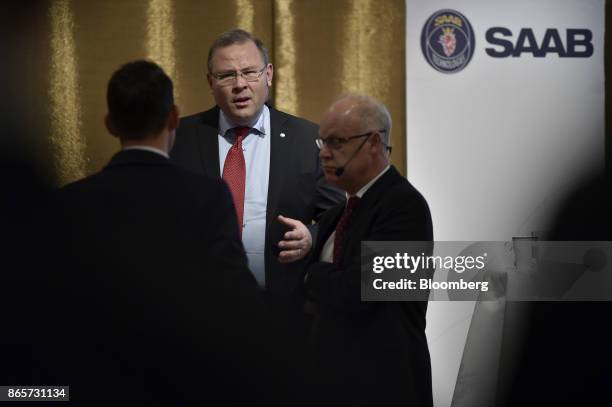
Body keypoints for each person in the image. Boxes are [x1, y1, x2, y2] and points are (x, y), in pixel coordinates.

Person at [44, 60, 278, 404]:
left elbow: (48, 304)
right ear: (173, 119)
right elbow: (235, 300)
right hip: (186, 381)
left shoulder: (67, 203)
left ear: (109, 124)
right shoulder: (208, 197)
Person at [170, 29, 341, 298]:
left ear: (269, 75)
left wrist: (312, 236)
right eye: (226, 75)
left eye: (250, 72)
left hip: (283, 308)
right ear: (210, 82)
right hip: (197, 306)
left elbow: (339, 217)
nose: (240, 84)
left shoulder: (308, 140)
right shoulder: (179, 138)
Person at [303, 94, 434, 404]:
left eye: (336, 142)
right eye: (322, 143)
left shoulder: (405, 206)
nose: (324, 154)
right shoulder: (337, 213)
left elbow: (360, 292)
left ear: (374, 142)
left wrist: (310, 275)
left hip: (385, 386)